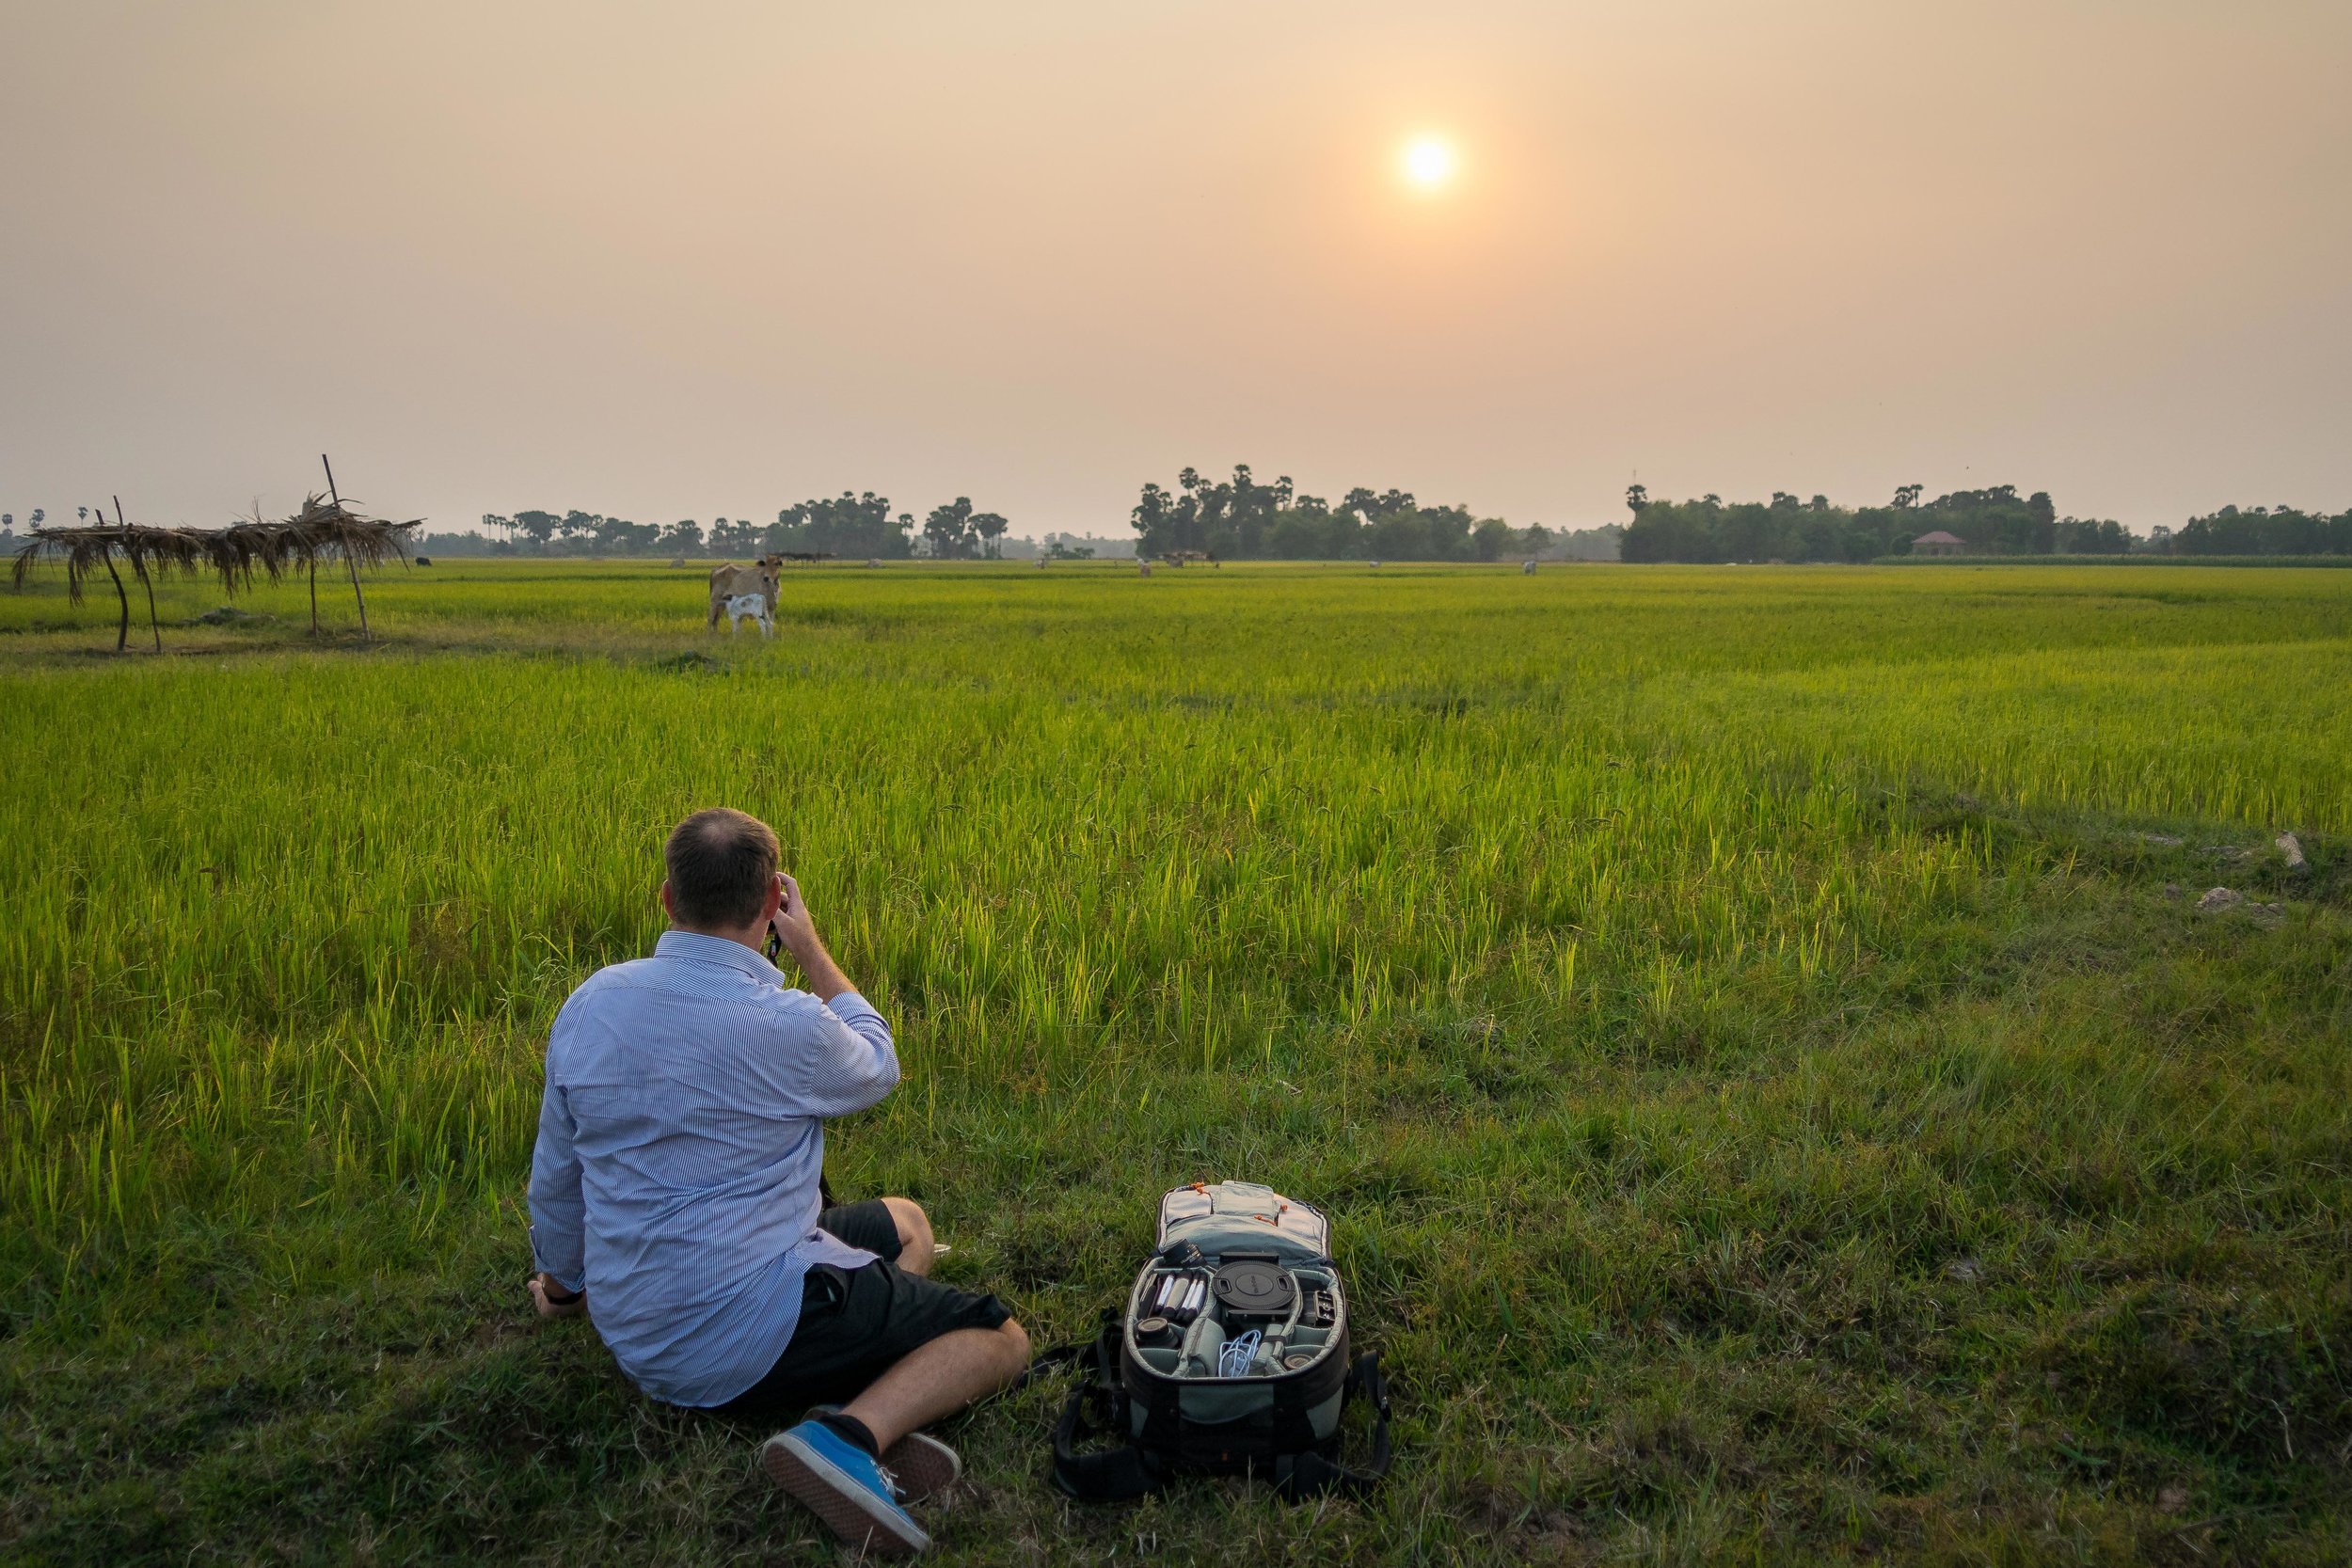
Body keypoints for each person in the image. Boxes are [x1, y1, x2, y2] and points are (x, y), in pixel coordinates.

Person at [526, 807, 1028, 1556]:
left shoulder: (590, 1004)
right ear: (772, 906)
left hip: (634, 1328)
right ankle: (849, 1434)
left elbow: (557, 1181)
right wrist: (812, 947)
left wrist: (563, 1289)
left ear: (667, 899)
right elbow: (878, 1059)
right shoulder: (785, 1020)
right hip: (743, 1325)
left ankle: (858, 1387)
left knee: (909, 1224)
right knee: (999, 1337)